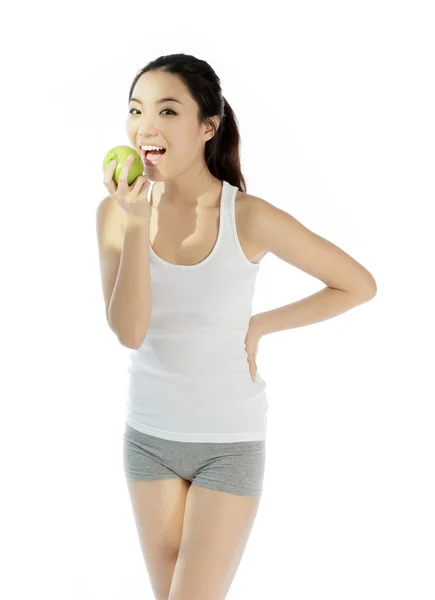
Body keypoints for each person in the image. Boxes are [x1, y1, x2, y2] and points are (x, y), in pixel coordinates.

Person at [96, 53, 377, 600]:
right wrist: (134, 223)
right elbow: (129, 332)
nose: (144, 127)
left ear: (208, 125)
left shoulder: (246, 216)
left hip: (228, 443)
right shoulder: (115, 214)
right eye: (136, 110)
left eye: (167, 111)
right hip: (149, 439)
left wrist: (261, 325)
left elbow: (357, 284)